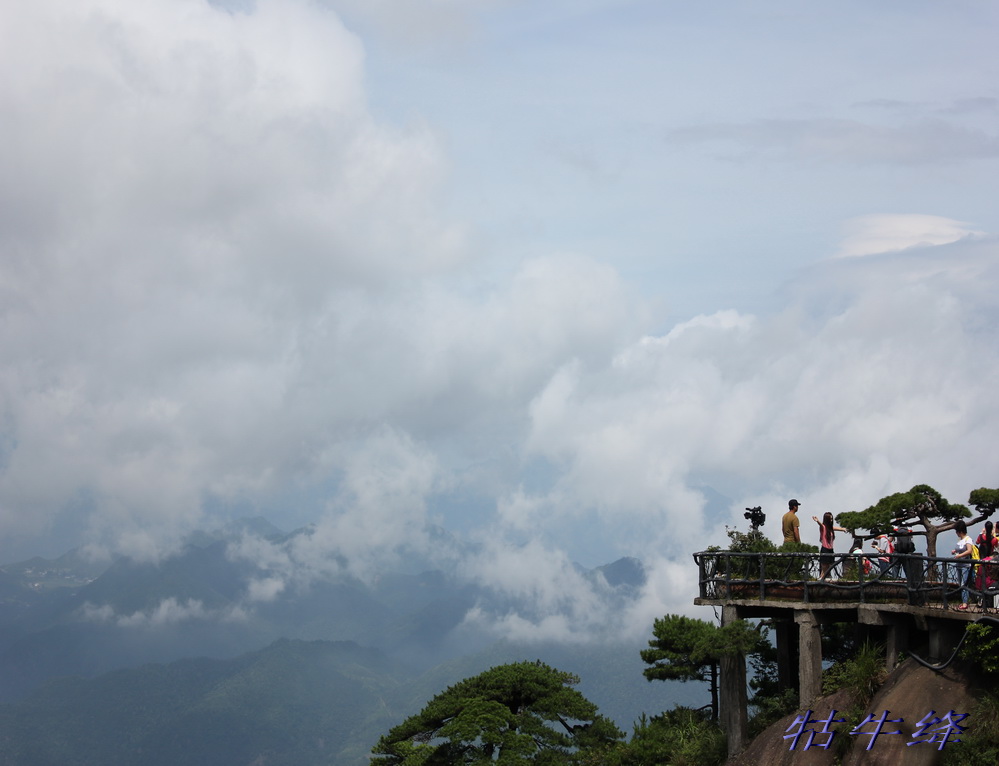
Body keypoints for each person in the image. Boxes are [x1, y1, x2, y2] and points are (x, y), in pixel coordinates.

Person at [812, 512, 847, 579]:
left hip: (830, 549)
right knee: (824, 565)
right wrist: (817, 521)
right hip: (825, 548)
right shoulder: (824, 527)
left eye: (831, 519)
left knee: (829, 565)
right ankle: (821, 577)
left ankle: (823, 577)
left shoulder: (830, 528)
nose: (831, 520)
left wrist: (843, 529)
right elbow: (821, 525)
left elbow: (836, 528)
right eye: (830, 519)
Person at [951, 521, 976, 611]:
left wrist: (959, 555)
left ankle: (965, 602)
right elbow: (961, 550)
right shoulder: (960, 540)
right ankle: (963, 601)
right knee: (960, 583)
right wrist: (955, 551)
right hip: (959, 565)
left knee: (964, 584)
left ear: (959, 531)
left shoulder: (968, 539)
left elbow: (969, 550)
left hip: (966, 565)